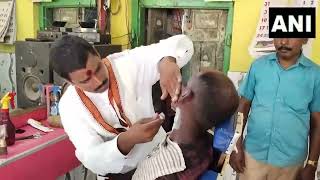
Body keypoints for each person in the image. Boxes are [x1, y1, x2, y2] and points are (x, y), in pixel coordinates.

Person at [49, 34, 194, 179]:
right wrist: (128, 139)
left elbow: (182, 44)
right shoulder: (69, 106)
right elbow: (91, 158)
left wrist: (167, 61)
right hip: (117, 174)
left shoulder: (125, 64)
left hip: (160, 160)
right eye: (86, 80)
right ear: (71, 82)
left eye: (98, 68)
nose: (98, 80)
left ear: (97, 53)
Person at [230, 38, 320, 180]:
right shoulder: (258, 66)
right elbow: (243, 107)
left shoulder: (315, 75)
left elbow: (317, 122)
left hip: (290, 165)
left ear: (304, 39)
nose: (283, 42)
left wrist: (312, 164)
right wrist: (235, 146)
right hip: (252, 157)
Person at [132, 70, 239, 180]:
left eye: (186, 85)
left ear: (185, 95)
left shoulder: (165, 173)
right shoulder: (207, 146)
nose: (179, 87)